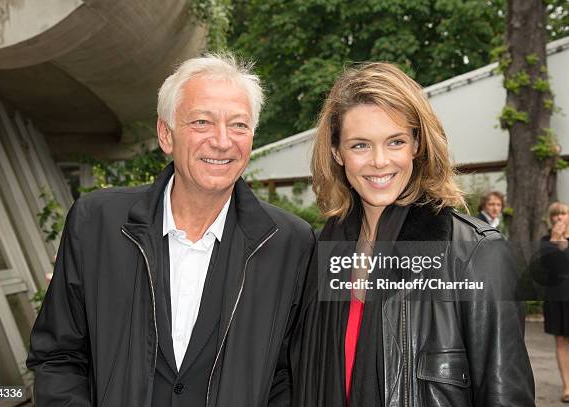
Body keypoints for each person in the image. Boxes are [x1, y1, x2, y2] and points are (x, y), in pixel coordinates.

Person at [27, 54, 315, 406]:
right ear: (166, 134)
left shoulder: (291, 244)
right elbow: (58, 356)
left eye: (239, 125)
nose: (223, 141)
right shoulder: (97, 224)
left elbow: (291, 377)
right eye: (202, 122)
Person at [291, 62, 535, 407]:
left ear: (416, 145)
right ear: (337, 153)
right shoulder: (320, 254)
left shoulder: (477, 254)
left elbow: (506, 398)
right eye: (360, 145)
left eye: (395, 141)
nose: (379, 161)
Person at [535, 202, 569, 402]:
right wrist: (556, 239)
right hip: (556, 296)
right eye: (555, 215)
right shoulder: (546, 240)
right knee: (561, 341)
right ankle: (567, 386)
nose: (559, 218)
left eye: (563, 214)